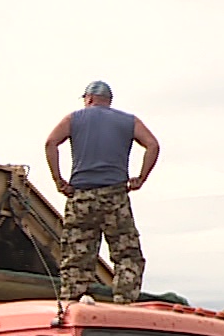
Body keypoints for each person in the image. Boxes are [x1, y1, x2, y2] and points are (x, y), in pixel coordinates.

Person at [44, 80, 160, 303]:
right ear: (109, 101)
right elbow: (152, 145)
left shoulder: (73, 118)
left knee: (76, 256)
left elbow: (50, 143)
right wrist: (141, 178)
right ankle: (124, 304)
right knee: (127, 254)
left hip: (81, 196)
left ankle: (72, 305)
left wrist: (58, 180)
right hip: (115, 196)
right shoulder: (129, 121)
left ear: (88, 99)